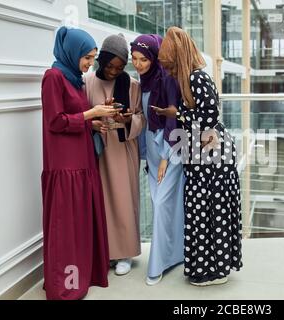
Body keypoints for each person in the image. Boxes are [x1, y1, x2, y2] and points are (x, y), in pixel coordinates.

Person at [155, 26, 243, 286]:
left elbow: (210, 117)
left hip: (210, 158)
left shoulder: (196, 79)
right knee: (204, 210)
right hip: (203, 156)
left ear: (179, 59)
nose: (169, 72)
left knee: (207, 210)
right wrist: (177, 114)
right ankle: (210, 267)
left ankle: (214, 271)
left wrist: (180, 115)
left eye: (171, 66)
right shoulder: (192, 79)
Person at [41, 26, 117, 300]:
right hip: (65, 166)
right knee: (67, 229)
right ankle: (67, 285)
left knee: (80, 224)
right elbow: (55, 121)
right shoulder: (54, 77)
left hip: (81, 161)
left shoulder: (73, 79)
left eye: (92, 57)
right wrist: (90, 113)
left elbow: (72, 118)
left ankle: (84, 274)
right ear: (72, 52)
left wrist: (94, 123)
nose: (89, 63)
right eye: (87, 57)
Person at [83, 34, 144, 276]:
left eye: (119, 68)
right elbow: (83, 113)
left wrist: (127, 119)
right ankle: (106, 252)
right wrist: (96, 120)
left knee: (123, 199)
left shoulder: (131, 85)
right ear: (102, 61)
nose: (114, 72)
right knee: (102, 200)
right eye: (110, 66)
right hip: (98, 147)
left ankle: (125, 253)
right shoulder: (88, 82)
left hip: (123, 146)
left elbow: (141, 117)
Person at [130, 34, 185, 285]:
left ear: (154, 58)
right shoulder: (142, 82)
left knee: (162, 203)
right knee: (162, 203)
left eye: (143, 59)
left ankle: (157, 264)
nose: (138, 64)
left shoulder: (168, 79)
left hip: (170, 149)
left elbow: (174, 119)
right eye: (134, 59)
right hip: (153, 151)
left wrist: (165, 156)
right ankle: (175, 254)